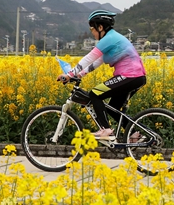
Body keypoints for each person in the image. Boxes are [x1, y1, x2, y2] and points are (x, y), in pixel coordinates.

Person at [58, 10, 146, 142]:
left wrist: (70, 74)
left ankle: (106, 130)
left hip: (130, 76)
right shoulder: (111, 39)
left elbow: (88, 58)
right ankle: (133, 135)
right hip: (135, 77)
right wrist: (79, 74)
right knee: (112, 108)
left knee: (95, 94)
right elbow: (95, 63)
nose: (91, 32)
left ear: (100, 27)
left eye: (92, 28)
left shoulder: (109, 39)